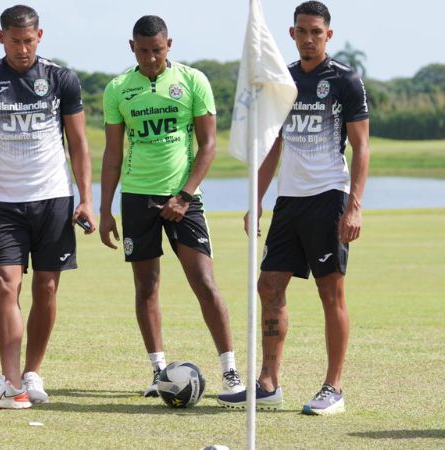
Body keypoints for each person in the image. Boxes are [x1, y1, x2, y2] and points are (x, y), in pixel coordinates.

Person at [217, 1, 369, 415]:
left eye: (316, 32)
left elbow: (361, 147)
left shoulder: (345, 81)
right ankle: (268, 383)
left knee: (330, 291)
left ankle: (333, 388)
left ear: (328, 35)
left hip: (329, 198)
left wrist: (354, 206)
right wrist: (257, 199)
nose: (308, 38)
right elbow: (272, 145)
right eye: (302, 31)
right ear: (291, 33)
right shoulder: (282, 82)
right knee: (269, 285)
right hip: (289, 201)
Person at [98, 15, 245, 402]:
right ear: (132, 47)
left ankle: (231, 373)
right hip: (136, 197)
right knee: (146, 286)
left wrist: (185, 195)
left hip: (184, 197)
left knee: (205, 283)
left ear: (169, 45)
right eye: (143, 51)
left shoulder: (193, 81)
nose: (150, 58)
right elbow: (113, 154)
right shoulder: (117, 89)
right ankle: (158, 371)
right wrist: (104, 209)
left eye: (157, 50)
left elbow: (209, 144)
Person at [0, 4, 95, 410]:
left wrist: (87, 198)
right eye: (15, 41)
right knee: (5, 282)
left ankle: (32, 372)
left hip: (54, 199)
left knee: (47, 287)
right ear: (0, 37)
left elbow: (79, 144)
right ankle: (11, 382)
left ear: (41, 36)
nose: (23, 49)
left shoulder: (60, 78)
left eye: (29, 41)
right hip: (5, 202)